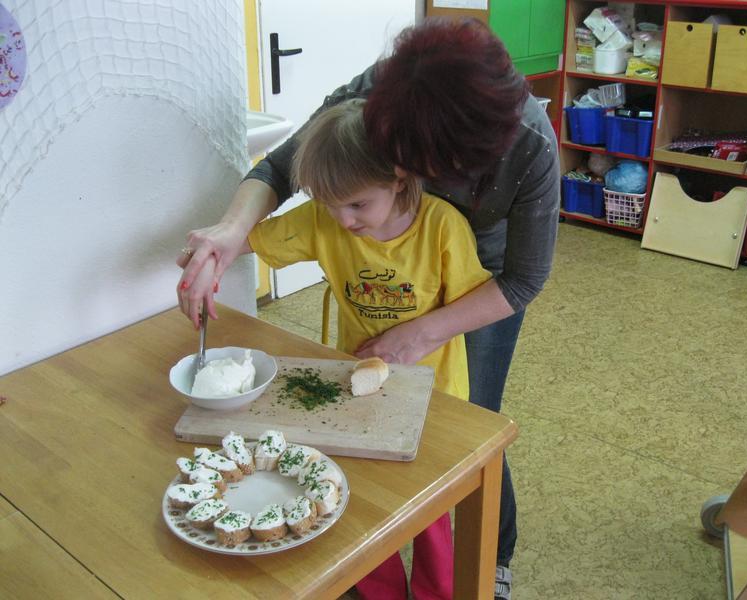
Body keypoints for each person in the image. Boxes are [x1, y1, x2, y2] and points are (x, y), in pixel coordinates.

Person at [177, 18, 560, 599]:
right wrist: (229, 235)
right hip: (388, 297)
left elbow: (524, 278)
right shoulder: (383, 92)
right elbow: (282, 167)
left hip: (480, 281)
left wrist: (424, 333)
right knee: (369, 442)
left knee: (468, 430)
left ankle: (490, 561)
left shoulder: (528, 146)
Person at [183, 98, 492, 599]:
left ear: (399, 178)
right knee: (358, 495)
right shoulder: (325, 219)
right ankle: (378, 590)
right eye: (329, 205)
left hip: (437, 395)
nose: (343, 220)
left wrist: (421, 335)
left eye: (357, 205)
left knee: (429, 508)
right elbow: (247, 241)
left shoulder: (442, 227)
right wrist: (208, 261)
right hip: (356, 391)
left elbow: (475, 303)